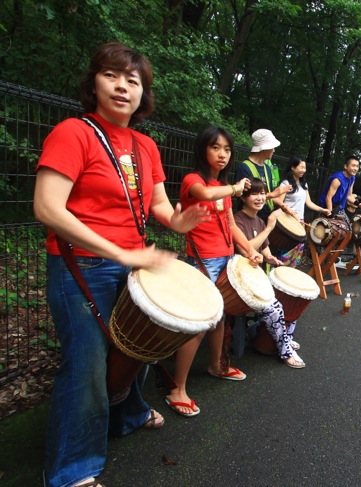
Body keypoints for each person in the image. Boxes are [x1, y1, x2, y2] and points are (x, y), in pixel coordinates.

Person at [33, 42, 210, 487]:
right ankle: (73, 471)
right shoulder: (74, 132)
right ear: (94, 83)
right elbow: (48, 208)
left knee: (137, 347)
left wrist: (180, 220)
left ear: (143, 94)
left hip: (130, 265)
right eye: (112, 75)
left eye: (133, 80)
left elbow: (160, 207)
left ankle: (126, 414)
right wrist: (121, 254)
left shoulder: (145, 145)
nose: (122, 86)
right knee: (87, 365)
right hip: (82, 266)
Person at [165, 126, 264, 418]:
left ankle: (215, 365)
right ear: (202, 150)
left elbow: (232, 225)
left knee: (220, 318)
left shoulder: (222, 187)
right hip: (202, 260)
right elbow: (206, 194)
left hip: (224, 258)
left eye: (227, 149)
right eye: (215, 148)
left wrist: (249, 249)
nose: (222, 154)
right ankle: (177, 389)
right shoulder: (193, 181)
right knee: (197, 325)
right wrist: (235, 188)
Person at [234, 179, 307, 368]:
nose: (259, 198)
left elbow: (265, 251)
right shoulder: (237, 220)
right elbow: (246, 250)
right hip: (241, 281)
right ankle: (285, 351)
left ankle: (285, 338)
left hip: (256, 277)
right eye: (254, 194)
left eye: (262, 194)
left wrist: (271, 259)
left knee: (293, 297)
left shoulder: (258, 220)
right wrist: (269, 227)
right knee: (275, 308)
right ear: (242, 196)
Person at [272, 156, 330, 266]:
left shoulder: (304, 184)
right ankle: (278, 274)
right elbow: (279, 202)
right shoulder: (285, 183)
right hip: (287, 222)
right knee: (285, 252)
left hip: (300, 222)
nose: (303, 170)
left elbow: (309, 203)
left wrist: (322, 209)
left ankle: (290, 276)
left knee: (297, 252)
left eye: (305, 167)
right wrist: (289, 212)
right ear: (293, 168)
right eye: (301, 167)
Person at [233, 128, 292, 221]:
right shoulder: (244, 168)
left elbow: (269, 195)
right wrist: (273, 194)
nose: (274, 150)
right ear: (264, 148)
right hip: (248, 219)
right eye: (272, 147)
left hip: (264, 218)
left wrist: (284, 206)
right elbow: (242, 197)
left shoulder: (267, 168)